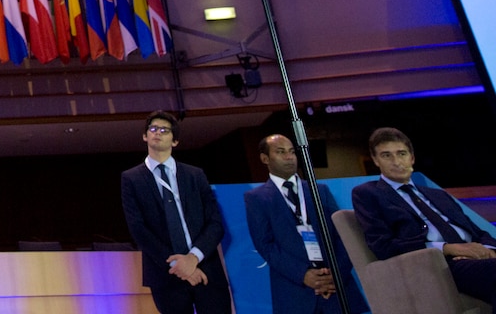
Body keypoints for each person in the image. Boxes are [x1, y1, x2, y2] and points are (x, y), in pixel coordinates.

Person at [352, 126, 496, 304]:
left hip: (475, 259)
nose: (396, 161)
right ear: (375, 160)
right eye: (386, 155)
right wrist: (448, 248)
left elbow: (477, 232)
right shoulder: (368, 194)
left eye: (402, 153)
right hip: (435, 264)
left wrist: (489, 251)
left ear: (412, 158)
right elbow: (383, 246)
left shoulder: (438, 195)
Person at [120, 111, 232, 314]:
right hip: (165, 274)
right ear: (145, 136)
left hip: (206, 268)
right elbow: (138, 229)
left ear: (175, 141)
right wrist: (179, 266)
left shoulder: (195, 175)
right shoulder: (131, 179)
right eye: (153, 129)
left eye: (165, 130)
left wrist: (193, 258)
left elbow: (215, 223)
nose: (158, 133)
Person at [244, 133, 367, 313]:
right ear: (265, 158)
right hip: (295, 293)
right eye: (281, 152)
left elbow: (342, 235)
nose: (289, 157)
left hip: (337, 290)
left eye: (292, 152)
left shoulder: (319, 190)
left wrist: (336, 275)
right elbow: (266, 246)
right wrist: (303, 274)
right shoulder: (256, 198)